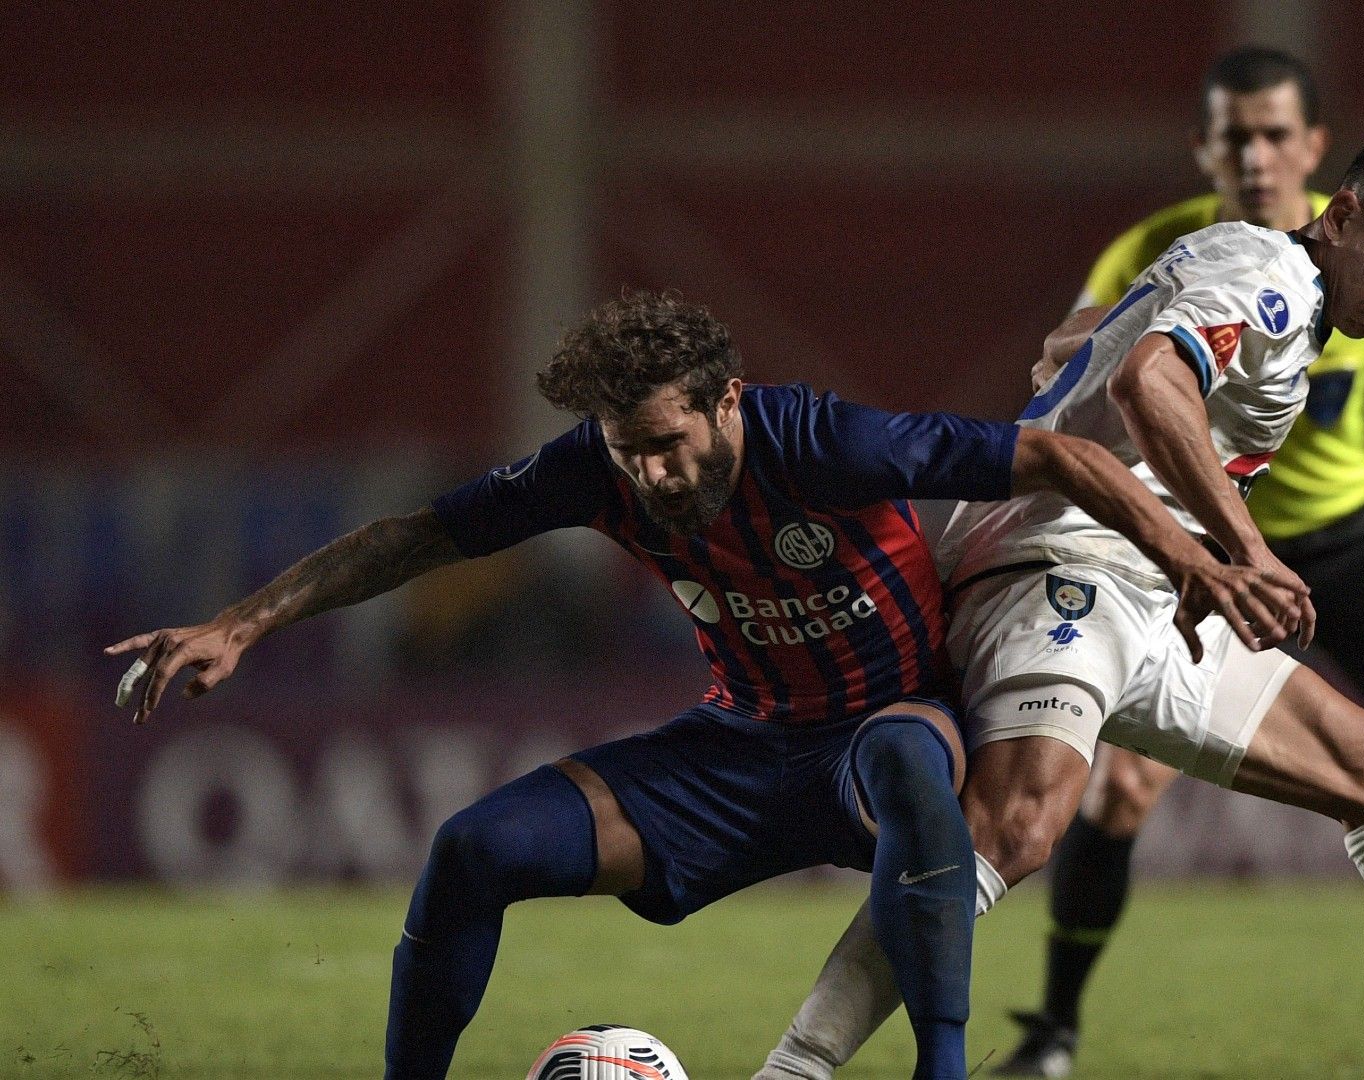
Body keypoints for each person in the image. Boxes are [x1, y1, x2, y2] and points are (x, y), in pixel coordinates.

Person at [105, 290, 1297, 1080]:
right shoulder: (600, 468)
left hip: (886, 726)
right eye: (630, 450)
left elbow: (1056, 451)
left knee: (910, 769)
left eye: (670, 443)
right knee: (474, 850)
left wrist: (1200, 555)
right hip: (739, 750)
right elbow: (419, 536)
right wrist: (243, 624)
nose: (654, 473)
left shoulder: (825, 442)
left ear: (729, 399)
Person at [758, 132, 1364, 1080]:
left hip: (1141, 585)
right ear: (1343, 216)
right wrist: (1241, 555)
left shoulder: (1263, 281)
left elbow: (1090, 346)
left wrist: (1107, 371)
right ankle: (794, 1070)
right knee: (1013, 828)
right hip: (1063, 566)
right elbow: (1147, 382)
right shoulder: (1277, 280)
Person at [998, 47, 1364, 1076]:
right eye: (1236, 134)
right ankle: (1053, 1031)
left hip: (1347, 533)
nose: (1257, 153)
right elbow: (1088, 358)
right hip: (1211, 539)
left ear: (1317, 154)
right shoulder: (1180, 247)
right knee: (1117, 791)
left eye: (1277, 133)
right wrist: (1222, 542)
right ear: (1206, 147)